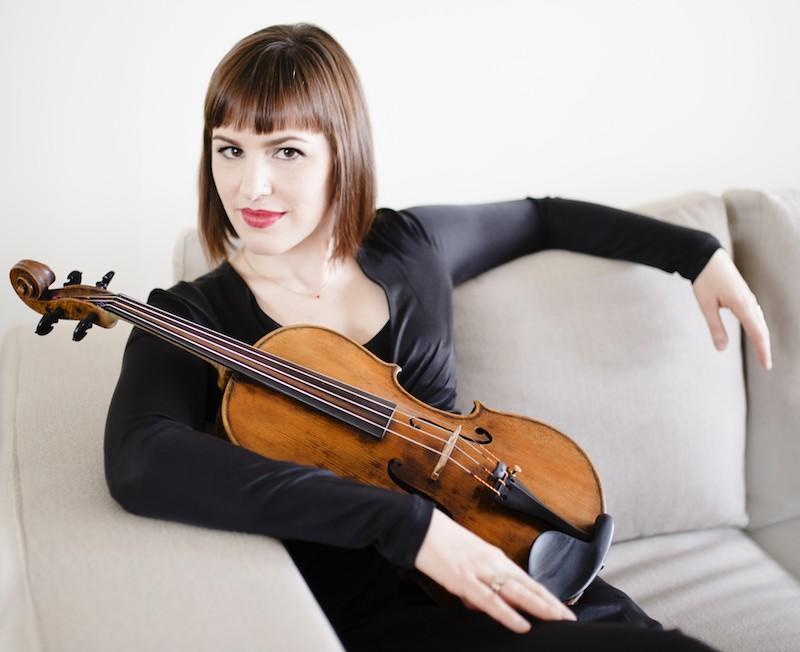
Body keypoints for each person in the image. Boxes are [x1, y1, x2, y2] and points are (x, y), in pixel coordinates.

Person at [104, 23, 772, 652]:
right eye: (230, 149)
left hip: (519, 558)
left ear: (342, 154)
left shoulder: (409, 247)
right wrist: (404, 524)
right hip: (395, 613)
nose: (251, 185)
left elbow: (542, 219)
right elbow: (139, 459)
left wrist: (698, 254)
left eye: (286, 151)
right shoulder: (192, 316)